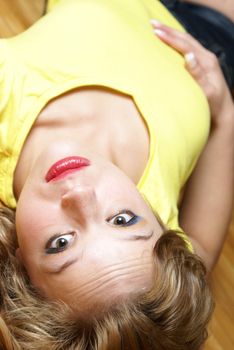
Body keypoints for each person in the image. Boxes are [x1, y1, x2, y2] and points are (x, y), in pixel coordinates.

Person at [0, 0, 233, 348]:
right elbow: (200, 247)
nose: (80, 195)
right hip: (205, 40)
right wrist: (226, 116)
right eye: (123, 220)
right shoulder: (162, 244)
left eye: (60, 244)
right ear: (163, 225)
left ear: (23, 272)